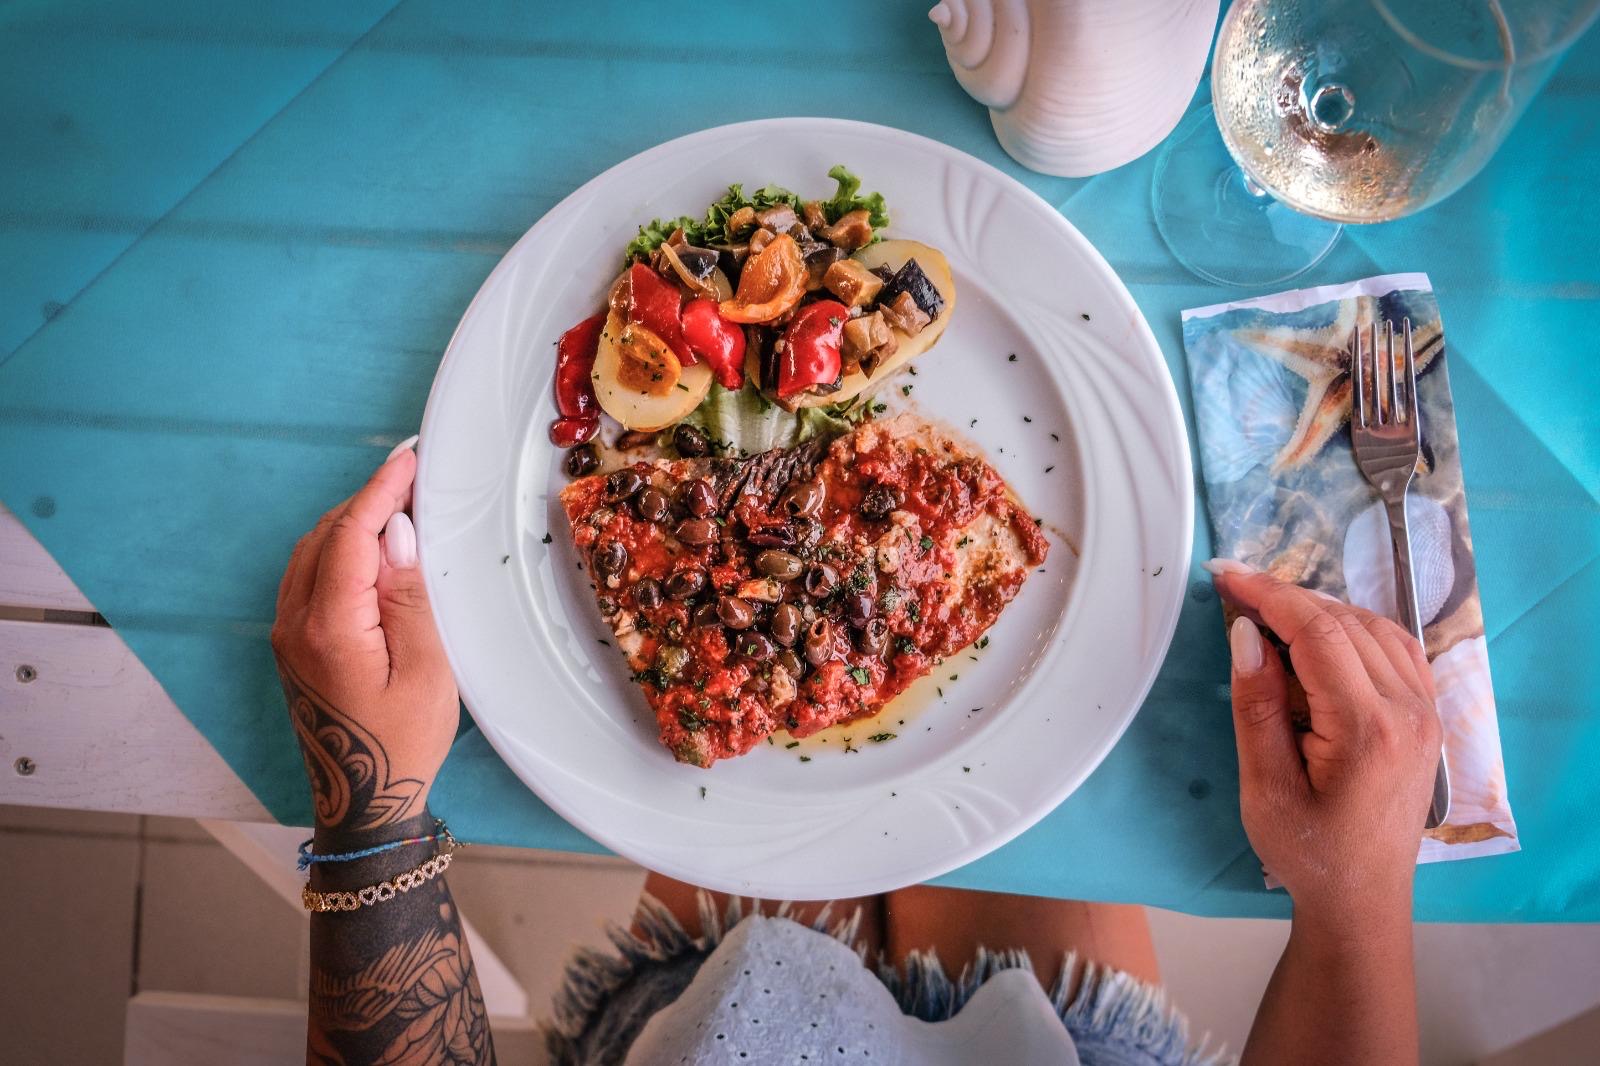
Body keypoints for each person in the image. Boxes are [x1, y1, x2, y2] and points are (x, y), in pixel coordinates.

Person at [271, 447, 1442, 1065]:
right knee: (995, 748)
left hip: (707, 1017)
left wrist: (373, 811)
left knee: (765, 746)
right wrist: (1354, 902)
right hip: (1061, 1044)